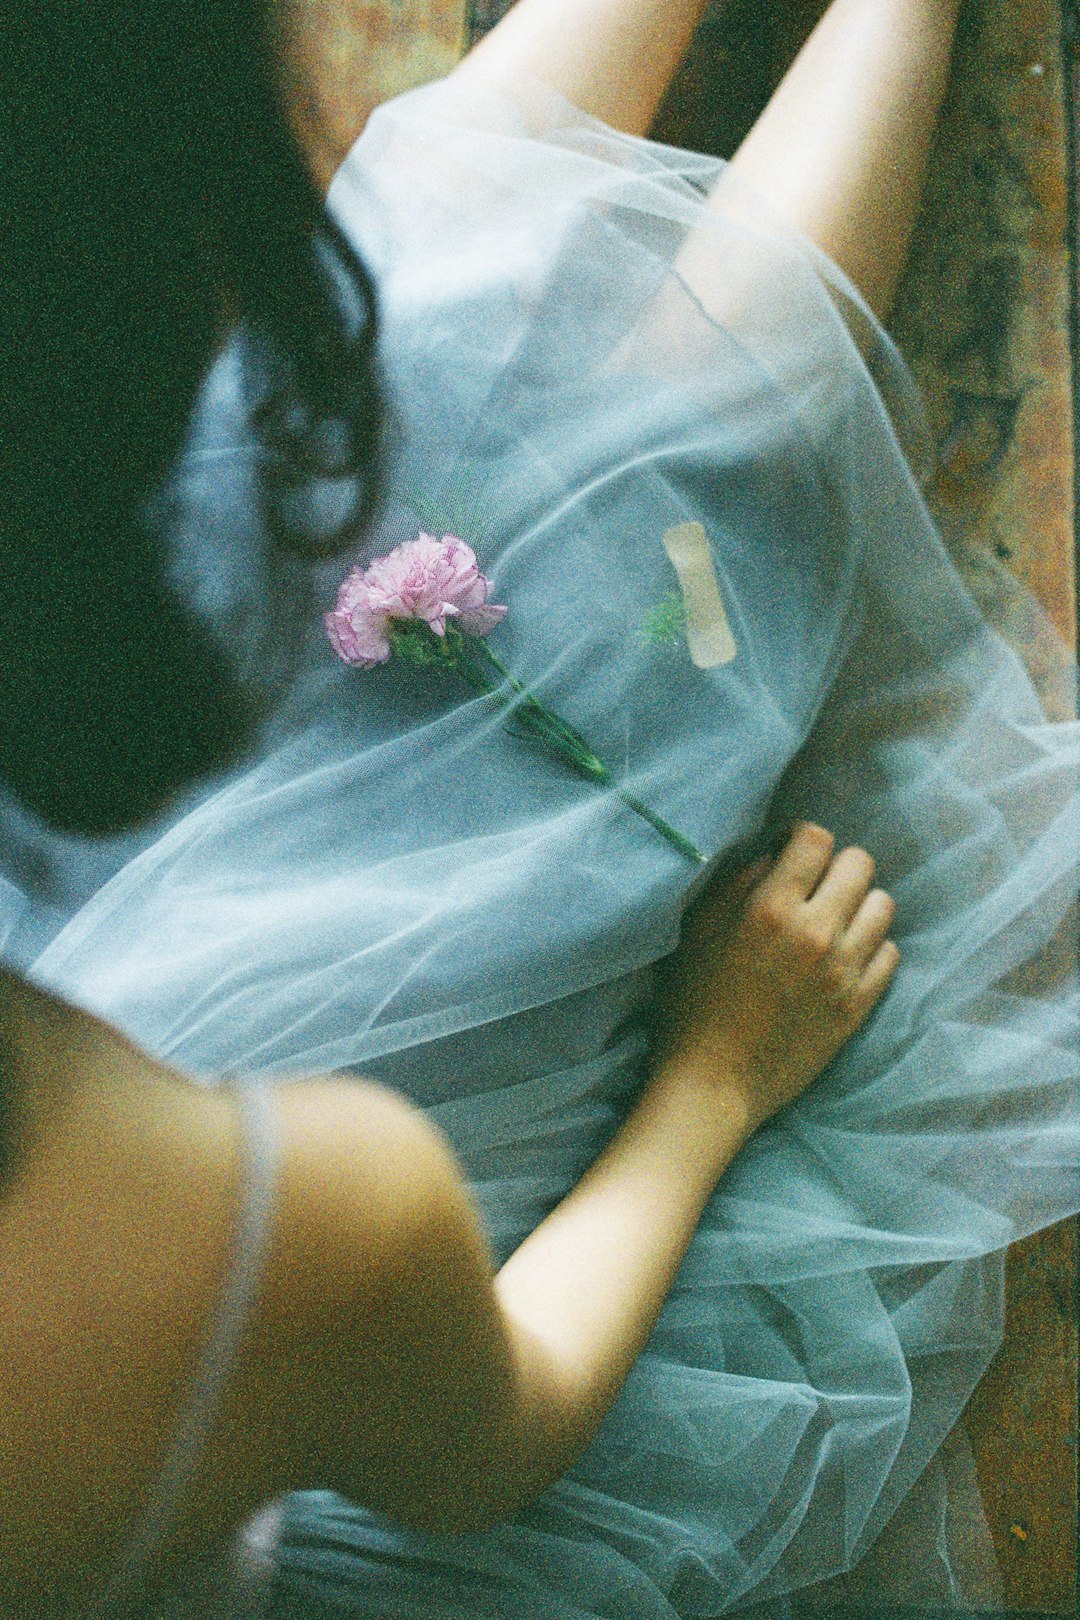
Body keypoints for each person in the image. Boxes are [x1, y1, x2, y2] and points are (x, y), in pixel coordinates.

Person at [1, 0, 1077, 1616]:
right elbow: (501, 1439)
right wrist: (712, 1080)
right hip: (303, 1305)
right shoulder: (282, 1222)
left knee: (369, 354)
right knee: (661, 551)